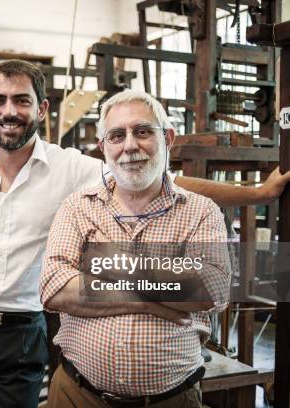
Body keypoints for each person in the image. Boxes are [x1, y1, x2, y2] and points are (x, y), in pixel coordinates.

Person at [0, 60, 290, 408]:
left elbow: (161, 179)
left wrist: (256, 194)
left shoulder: (70, 169)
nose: (9, 111)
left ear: (41, 110)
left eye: (22, 100)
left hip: (24, 330)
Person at [40, 89, 232, 408]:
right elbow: (53, 288)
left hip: (171, 399)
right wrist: (152, 301)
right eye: (117, 136)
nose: (129, 145)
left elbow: (211, 289)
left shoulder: (201, 211)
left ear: (168, 138)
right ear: (103, 147)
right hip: (77, 395)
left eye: (142, 131)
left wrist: (103, 269)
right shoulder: (76, 208)